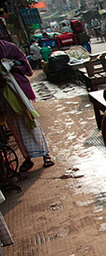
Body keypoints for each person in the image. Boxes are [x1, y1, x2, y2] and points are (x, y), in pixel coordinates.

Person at [0, 39, 54, 172]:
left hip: (18, 92)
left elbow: (27, 69)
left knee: (31, 122)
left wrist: (12, 66)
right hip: (3, 96)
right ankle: (27, 158)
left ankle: (45, 155)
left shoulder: (10, 48)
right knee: (14, 128)